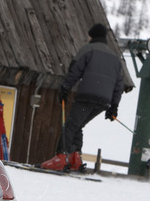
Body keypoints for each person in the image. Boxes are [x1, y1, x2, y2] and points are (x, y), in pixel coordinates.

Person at [41, 23, 124, 171]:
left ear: (92, 36)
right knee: (78, 125)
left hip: (87, 96)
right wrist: (114, 107)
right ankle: (75, 158)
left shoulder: (88, 50)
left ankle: (61, 157)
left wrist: (64, 89)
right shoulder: (115, 59)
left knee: (70, 126)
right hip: (103, 101)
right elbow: (119, 86)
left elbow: (74, 71)